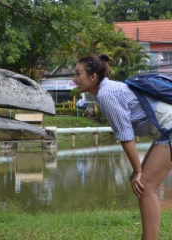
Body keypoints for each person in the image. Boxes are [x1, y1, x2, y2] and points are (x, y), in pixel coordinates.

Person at [73, 53, 172, 240]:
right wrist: (137, 171)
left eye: (78, 74)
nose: (74, 79)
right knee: (145, 185)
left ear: (92, 77)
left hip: (170, 128)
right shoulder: (108, 90)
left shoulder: (106, 94)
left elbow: (126, 136)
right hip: (166, 130)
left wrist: (138, 171)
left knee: (146, 185)